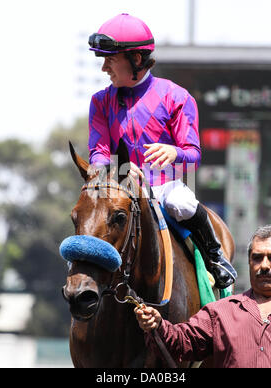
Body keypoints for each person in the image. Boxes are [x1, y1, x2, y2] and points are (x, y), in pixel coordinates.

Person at [87, 13, 237, 289]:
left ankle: (216, 257)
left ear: (136, 59)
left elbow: (193, 154)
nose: (104, 68)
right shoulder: (100, 102)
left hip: (165, 186)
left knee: (182, 203)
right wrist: (115, 167)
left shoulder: (176, 97)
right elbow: (97, 154)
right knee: (90, 213)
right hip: (122, 186)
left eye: (110, 60)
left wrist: (174, 152)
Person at [135, 225, 271, 368]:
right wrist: (157, 324)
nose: (264, 265)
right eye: (257, 258)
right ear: (249, 262)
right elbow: (181, 343)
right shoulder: (220, 312)